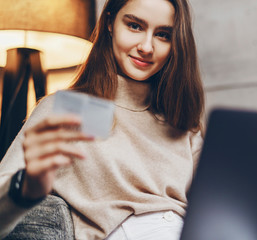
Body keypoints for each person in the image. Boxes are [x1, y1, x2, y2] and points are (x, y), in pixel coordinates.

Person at [0, 0, 204, 239]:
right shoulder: (74, 108)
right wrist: (27, 185)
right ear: (109, 22)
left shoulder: (183, 124)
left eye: (162, 34)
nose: (147, 47)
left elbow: (215, 206)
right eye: (135, 26)